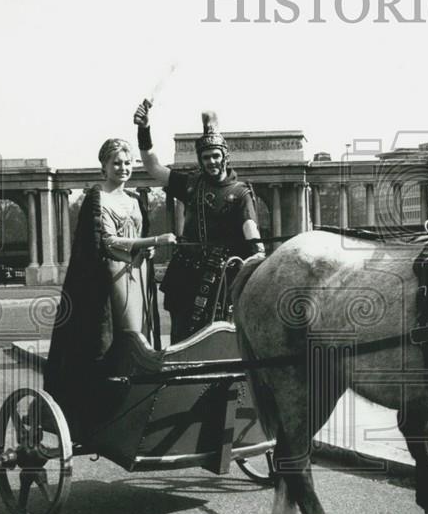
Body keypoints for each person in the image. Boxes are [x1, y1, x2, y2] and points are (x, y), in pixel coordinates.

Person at [44, 138, 176, 429]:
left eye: (128, 162)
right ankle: (108, 407)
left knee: (140, 338)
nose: (123, 168)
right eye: (116, 162)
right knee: (120, 339)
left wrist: (147, 250)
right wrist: (154, 240)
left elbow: (138, 237)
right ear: (103, 166)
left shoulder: (134, 200)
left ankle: (134, 405)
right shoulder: (96, 197)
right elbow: (106, 241)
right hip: (109, 279)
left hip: (138, 276)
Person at [133, 102, 265, 342]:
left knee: (220, 337)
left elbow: (249, 225)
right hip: (185, 275)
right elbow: (152, 166)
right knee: (181, 338)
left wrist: (257, 252)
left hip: (222, 276)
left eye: (216, 156)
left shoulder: (241, 191)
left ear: (225, 156)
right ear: (200, 160)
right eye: (206, 157)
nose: (211, 161)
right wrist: (145, 129)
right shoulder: (191, 184)